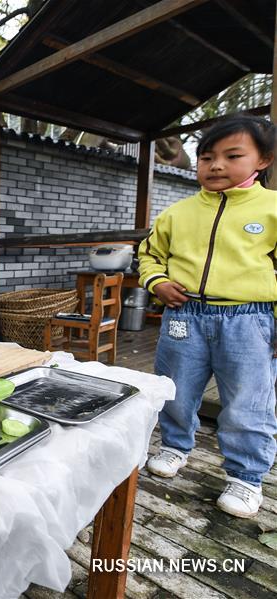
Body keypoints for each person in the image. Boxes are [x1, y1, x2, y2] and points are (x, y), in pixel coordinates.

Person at [139, 115, 277, 518]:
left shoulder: (272, 209)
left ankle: (246, 477)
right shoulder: (176, 214)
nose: (215, 165)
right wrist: (157, 282)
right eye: (206, 157)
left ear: (263, 160)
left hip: (249, 319)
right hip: (185, 314)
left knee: (248, 400)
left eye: (232, 156)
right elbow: (148, 255)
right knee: (175, 387)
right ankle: (175, 446)